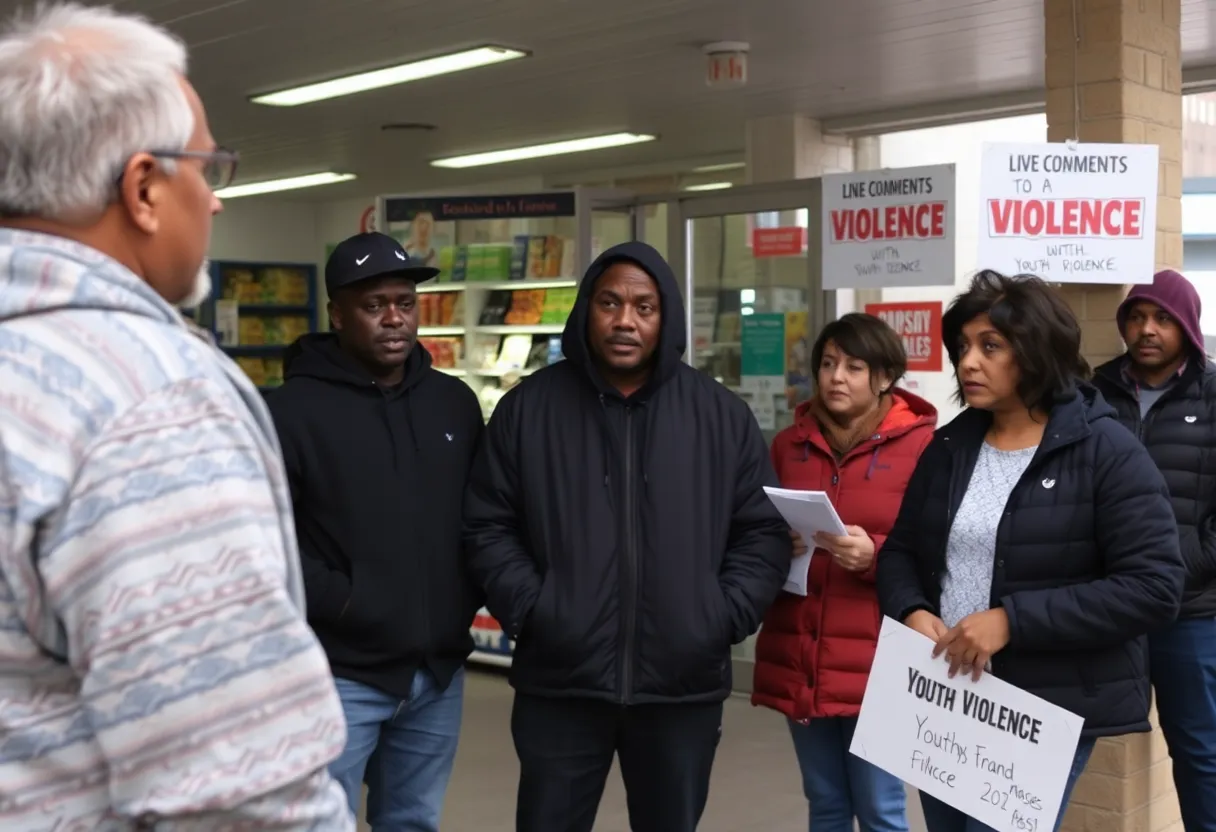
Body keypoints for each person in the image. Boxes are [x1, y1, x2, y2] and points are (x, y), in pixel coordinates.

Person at [0, 4, 351, 828]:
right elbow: (238, 785)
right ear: (146, 187)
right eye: (210, 168)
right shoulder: (151, 401)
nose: (218, 202)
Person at [463, 240, 790, 832]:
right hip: (560, 682)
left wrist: (718, 615)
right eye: (610, 303)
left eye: (644, 307)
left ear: (665, 318)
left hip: (681, 686)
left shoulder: (719, 416)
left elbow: (761, 530)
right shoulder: (527, 410)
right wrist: (537, 611)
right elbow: (488, 524)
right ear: (586, 308)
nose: (625, 321)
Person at [876, 270, 1185, 832]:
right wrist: (912, 610)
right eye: (963, 347)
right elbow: (900, 550)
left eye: (990, 347)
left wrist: (1009, 622)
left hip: (1041, 708)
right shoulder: (950, 445)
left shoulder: (1107, 450)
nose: (968, 362)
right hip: (944, 695)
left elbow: (1155, 587)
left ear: (1037, 352)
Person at [267, 231, 484, 829]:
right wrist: (350, 603)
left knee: (413, 821)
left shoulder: (453, 404)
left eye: (405, 303)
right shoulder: (290, 413)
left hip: (437, 673)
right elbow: (267, 543)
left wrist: (460, 601)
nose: (394, 319)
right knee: (318, 822)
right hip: (339, 672)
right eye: (373, 305)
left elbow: (482, 517)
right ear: (337, 314)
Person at [753, 313, 937, 832]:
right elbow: (759, 525)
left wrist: (874, 555)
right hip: (802, 647)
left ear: (884, 377)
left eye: (854, 366)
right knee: (826, 802)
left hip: (880, 655)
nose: (836, 377)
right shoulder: (789, 444)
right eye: (828, 363)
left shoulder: (923, 447)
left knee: (880, 808)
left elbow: (939, 549)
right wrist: (777, 540)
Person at [1091, 269, 1216, 830]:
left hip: (1190, 612)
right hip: (1106, 606)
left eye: (1162, 318)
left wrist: (1181, 567)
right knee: (1065, 735)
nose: (1147, 329)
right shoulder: (1093, 393)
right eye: (1137, 317)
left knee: (1199, 752)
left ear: (1186, 326)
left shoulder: (1213, 396)